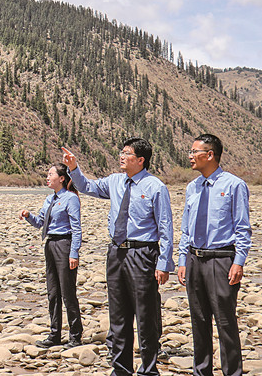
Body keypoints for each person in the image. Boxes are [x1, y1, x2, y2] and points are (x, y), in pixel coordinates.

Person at [63, 139, 173, 376]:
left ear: (140, 160)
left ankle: (148, 369)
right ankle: (121, 369)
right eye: (121, 152)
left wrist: (164, 263)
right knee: (118, 314)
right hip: (116, 253)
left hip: (143, 253)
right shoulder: (114, 181)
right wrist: (73, 168)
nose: (121, 156)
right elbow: (87, 186)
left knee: (146, 314)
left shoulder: (155, 187)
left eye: (127, 153)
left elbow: (165, 227)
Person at [176, 134, 251, 376]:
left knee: (225, 322)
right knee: (198, 321)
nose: (190, 156)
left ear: (210, 155)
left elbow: (242, 228)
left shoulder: (234, 185)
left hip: (221, 259)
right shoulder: (192, 187)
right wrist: (182, 260)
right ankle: (201, 372)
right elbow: (186, 228)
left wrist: (238, 261)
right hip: (194, 259)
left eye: (194, 151)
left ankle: (232, 373)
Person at [19, 163, 83, 349]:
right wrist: (28, 215)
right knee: (53, 293)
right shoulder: (49, 199)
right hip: (50, 245)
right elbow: (40, 223)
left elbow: (76, 228)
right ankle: (55, 334)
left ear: (61, 178)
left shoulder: (71, 199)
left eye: (50, 174)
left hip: (64, 245)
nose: (47, 177)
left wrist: (74, 253)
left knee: (68, 293)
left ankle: (75, 335)